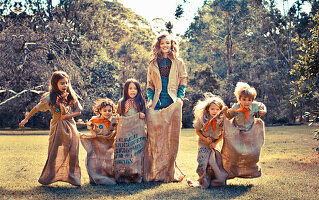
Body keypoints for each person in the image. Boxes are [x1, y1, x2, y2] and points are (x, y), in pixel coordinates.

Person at [19, 71, 82, 186]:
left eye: (66, 83)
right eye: (62, 83)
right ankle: (49, 177)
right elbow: (36, 108)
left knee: (73, 151)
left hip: (71, 126)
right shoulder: (49, 98)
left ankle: (73, 178)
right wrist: (26, 119)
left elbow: (78, 111)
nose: (65, 86)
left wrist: (67, 116)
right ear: (55, 84)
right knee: (54, 151)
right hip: (57, 126)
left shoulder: (71, 95)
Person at [143, 33, 187, 182]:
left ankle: (169, 171)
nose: (165, 46)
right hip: (157, 102)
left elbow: (183, 80)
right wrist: (150, 99)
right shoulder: (152, 63)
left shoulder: (178, 62)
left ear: (171, 44)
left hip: (173, 102)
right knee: (156, 137)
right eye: (162, 43)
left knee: (171, 138)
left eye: (167, 43)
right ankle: (156, 171)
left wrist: (180, 98)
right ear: (158, 45)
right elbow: (149, 84)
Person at [222, 82, 267, 179]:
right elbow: (229, 116)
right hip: (237, 131)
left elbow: (262, 106)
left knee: (252, 152)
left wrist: (263, 111)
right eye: (244, 100)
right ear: (239, 99)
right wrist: (225, 111)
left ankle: (252, 170)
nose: (247, 102)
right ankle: (230, 171)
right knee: (235, 152)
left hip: (250, 130)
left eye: (249, 100)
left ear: (253, 100)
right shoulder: (236, 107)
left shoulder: (255, 105)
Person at [187, 93, 228, 188]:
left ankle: (215, 181)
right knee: (202, 162)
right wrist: (205, 139)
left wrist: (215, 143)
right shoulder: (203, 119)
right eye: (212, 109)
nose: (215, 111)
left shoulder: (221, 121)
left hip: (214, 144)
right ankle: (203, 182)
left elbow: (223, 134)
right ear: (208, 109)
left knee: (214, 163)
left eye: (217, 109)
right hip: (203, 143)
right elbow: (197, 131)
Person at [114, 78, 146, 183]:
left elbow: (145, 114)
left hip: (137, 132)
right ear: (126, 90)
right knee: (126, 151)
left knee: (136, 152)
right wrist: (118, 117)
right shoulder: (121, 102)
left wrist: (142, 114)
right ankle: (124, 174)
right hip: (126, 131)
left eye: (135, 88)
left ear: (138, 90)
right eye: (130, 88)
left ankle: (136, 174)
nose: (133, 91)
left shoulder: (141, 102)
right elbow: (118, 114)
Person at [80, 98, 117, 185]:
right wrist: (92, 132)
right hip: (98, 142)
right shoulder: (95, 119)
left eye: (109, 110)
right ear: (100, 111)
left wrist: (114, 132)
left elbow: (117, 127)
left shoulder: (113, 120)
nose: (107, 112)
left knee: (108, 159)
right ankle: (95, 176)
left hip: (108, 142)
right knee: (97, 159)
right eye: (105, 110)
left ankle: (108, 175)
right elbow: (89, 125)